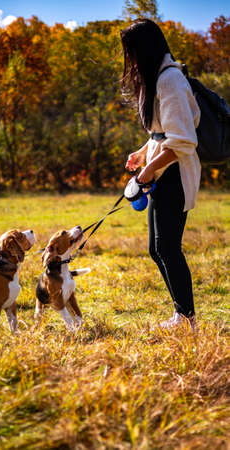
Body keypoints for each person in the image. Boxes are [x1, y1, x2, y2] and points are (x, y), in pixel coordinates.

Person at [120, 19, 201, 331]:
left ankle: (187, 319)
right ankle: (182, 316)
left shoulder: (170, 81)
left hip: (175, 175)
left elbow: (183, 141)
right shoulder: (159, 77)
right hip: (162, 172)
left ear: (146, 49)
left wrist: (147, 172)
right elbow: (163, 132)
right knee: (157, 249)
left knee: (167, 247)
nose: (131, 60)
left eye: (133, 52)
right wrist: (143, 153)